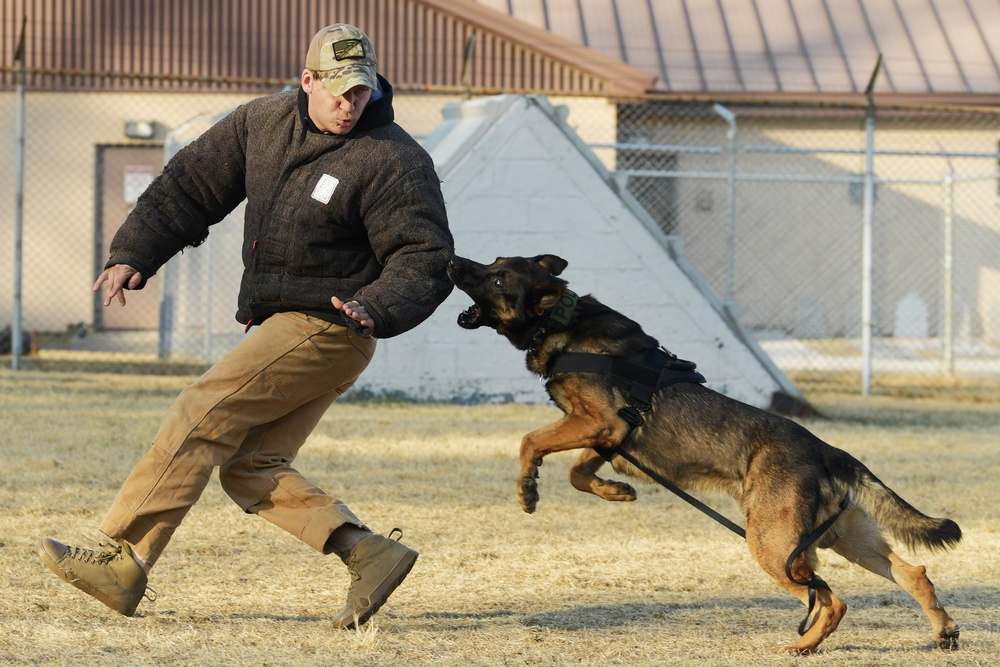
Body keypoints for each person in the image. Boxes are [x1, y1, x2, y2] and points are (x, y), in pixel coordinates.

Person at [38, 23, 453, 629]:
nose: (349, 104)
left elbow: (423, 255)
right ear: (307, 79)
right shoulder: (262, 123)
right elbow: (190, 186)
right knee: (251, 466)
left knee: (200, 412)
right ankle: (367, 552)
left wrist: (379, 305)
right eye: (337, 90)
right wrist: (134, 252)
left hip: (331, 323)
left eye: (361, 92)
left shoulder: (392, 158)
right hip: (286, 324)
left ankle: (121, 558)